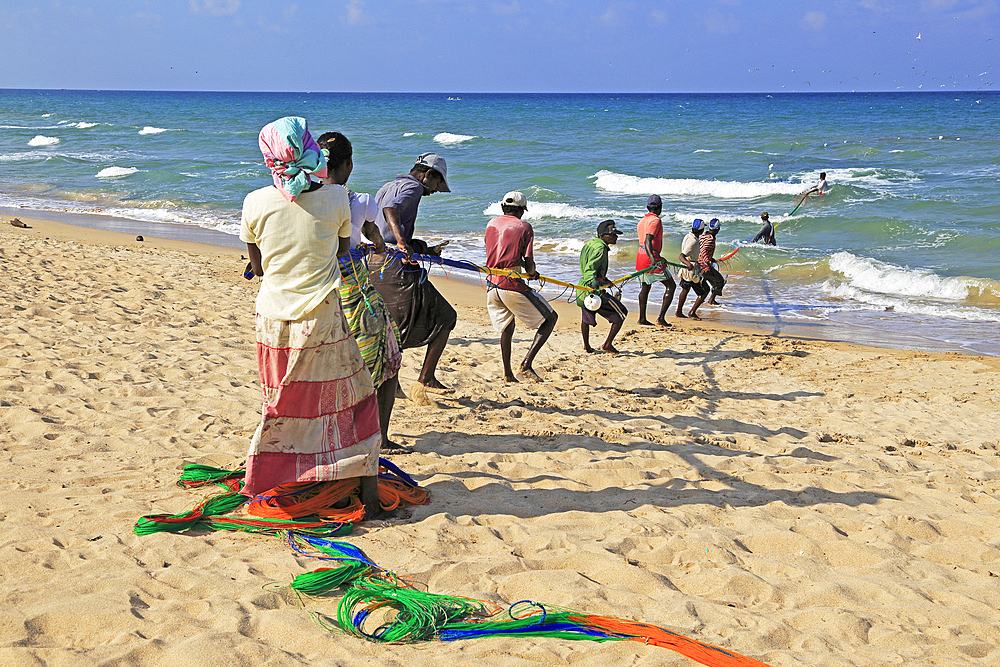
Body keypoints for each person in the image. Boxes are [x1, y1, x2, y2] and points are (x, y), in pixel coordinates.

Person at [240, 117, 380, 518]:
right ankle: (367, 500)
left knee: (283, 403)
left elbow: (260, 266)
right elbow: (338, 252)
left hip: (271, 320)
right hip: (321, 319)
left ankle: (283, 477)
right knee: (356, 402)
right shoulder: (337, 197)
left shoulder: (254, 202)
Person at [317, 131, 404, 452]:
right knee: (388, 357)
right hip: (351, 297)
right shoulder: (360, 201)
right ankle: (379, 436)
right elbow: (374, 236)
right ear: (349, 165)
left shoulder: (303, 199)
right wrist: (377, 245)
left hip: (313, 292)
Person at [367, 153, 457, 391]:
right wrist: (402, 242)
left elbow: (378, 222)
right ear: (428, 175)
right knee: (447, 316)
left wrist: (423, 248)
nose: (436, 190)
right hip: (393, 263)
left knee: (393, 324)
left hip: (374, 261)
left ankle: (390, 382)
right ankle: (425, 377)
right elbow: (390, 210)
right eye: (437, 183)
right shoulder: (414, 187)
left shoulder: (389, 185)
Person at [484, 191, 558, 382]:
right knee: (550, 318)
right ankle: (526, 365)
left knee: (507, 328)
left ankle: (508, 373)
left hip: (491, 283)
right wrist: (532, 272)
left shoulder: (491, 224)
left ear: (503, 208)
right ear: (522, 211)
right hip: (511, 284)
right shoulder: (524, 227)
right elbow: (528, 261)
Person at [577, 220, 628, 354]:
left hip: (583, 287)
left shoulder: (591, 243)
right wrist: (594, 283)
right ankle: (607, 345)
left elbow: (588, 266)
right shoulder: (600, 248)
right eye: (613, 234)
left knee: (586, 318)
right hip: (592, 289)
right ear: (603, 235)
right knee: (621, 313)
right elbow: (590, 269)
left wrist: (604, 280)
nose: (616, 237)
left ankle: (587, 346)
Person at [635, 194, 675, 327]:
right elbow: (648, 241)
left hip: (640, 256)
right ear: (660, 207)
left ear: (647, 207)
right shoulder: (655, 221)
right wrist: (653, 259)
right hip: (649, 257)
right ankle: (661, 318)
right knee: (671, 285)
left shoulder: (642, 221)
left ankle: (642, 318)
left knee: (645, 286)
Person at [675, 219, 709, 320]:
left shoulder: (689, 236)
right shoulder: (693, 241)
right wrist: (689, 264)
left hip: (688, 269)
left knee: (685, 289)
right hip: (690, 270)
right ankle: (692, 312)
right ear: (701, 231)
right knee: (705, 290)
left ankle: (679, 312)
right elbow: (681, 256)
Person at [699, 218, 726, 306]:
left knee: (714, 282)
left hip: (699, 263)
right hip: (704, 266)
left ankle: (709, 299)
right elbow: (703, 250)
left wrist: (711, 258)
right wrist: (707, 261)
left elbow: (701, 247)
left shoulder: (704, 235)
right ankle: (711, 300)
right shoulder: (710, 239)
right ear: (718, 229)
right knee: (720, 281)